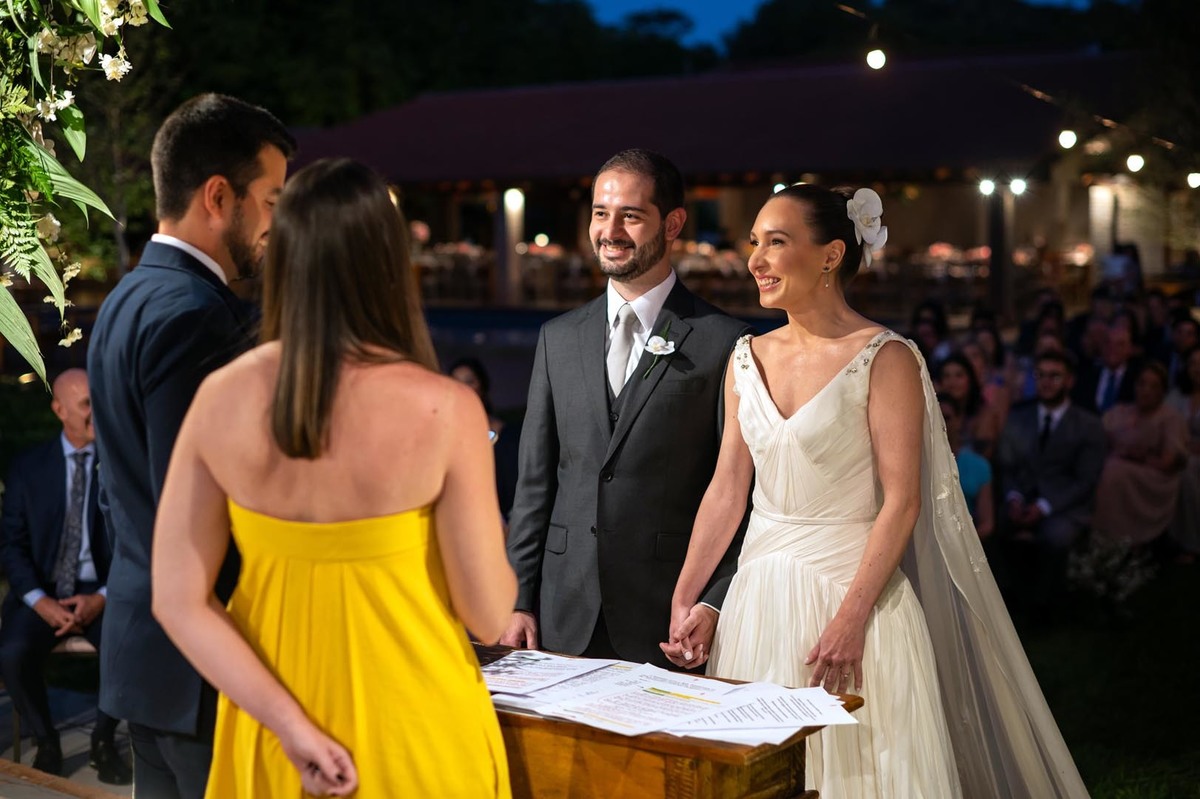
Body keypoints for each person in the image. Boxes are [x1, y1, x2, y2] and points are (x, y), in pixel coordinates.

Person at [666, 184, 1088, 797]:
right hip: (757, 605)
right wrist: (692, 601)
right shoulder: (744, 358)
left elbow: (903, 501)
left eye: (776, 242)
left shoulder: (885, 357)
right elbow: (727, 489)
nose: (755, 259)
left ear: (832, 254)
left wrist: (852, 617)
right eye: (755, 242)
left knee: (862, 774)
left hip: (854, 605)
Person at [152, 158, 516, 797]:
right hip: (415, 727)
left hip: (275, 735)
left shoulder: (220, 398)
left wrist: (290, 727)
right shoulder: (446, 408)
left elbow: (178, 600)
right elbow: (488, 616)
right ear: (388, 263)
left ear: (284, 256)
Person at [86, 93, 294, 798]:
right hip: (204, 669)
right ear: (218, 195)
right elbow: (215, 508)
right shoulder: (198, 318)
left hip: (146, 657)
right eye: (271, 199)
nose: (277, 224)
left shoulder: (127, 297)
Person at [501, 148, 748, 667]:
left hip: (668, 618)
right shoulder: (557, 338)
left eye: (630, 215)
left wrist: (712, 600)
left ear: (674, 222)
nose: (609, 230)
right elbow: (534, 484)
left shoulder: (724, 342)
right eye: (599, 212)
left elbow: (740, 495)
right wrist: (519, 597)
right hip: (561, 613)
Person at [0, 370, 130, 784]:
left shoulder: (122, 466)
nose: (99, 413)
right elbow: (11, 546)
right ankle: (47, 740)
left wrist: (104, 597)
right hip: (43, 591)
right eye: (88, 404)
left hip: (104, 590)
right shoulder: (27, 468)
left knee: (127, 647)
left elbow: (136, 543)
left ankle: (104, 741)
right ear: (59, 410)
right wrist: (40, 600)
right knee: (12, 653)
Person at [996, 350, 1107, 618]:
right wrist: (1013, 497)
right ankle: (1004, 603)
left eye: (1055, 376)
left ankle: (1043, 609)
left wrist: (1044, 507)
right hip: (1021, 498)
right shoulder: (1018, 417)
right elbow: (1006, 466)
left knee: (1055, 536)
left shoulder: (1088, 425)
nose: (1046, 382)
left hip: (1064, 505)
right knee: (994, 526)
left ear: (1070, 381)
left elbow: (1085, 480)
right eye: (1041, 375)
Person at [1092, 362, 1188, 547]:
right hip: (1118, 465)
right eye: (1142, 384)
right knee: (1106, 468)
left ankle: (1115, 537)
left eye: (1153, 386)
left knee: (1113, 472)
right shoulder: (1120, 411)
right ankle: (1104, 532)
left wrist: (1138, 456)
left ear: (1162, 391)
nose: (1146, 391)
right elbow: (1097, 436)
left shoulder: (1169, 418)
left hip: (1154, 476)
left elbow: (1169, 461)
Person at [449, 356, 521, 522]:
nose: (462, 388)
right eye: (455, 381)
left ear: (482, 387)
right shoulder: (444, 434)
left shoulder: (507, 436)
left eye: (470, 381)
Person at [939, 393, 994, 538]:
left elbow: (987, 523)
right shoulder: (918, 464)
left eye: (946, 417)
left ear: (959, 420)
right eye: (935, 417)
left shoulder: (979, 465)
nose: (941, 423)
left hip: (967, 541)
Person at [1166, 347, 1200, 562]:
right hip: (1178, 452)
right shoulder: (1177, 395)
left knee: (1188, 470)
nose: (1198, 368)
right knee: (1184, 468)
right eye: (1194, 363)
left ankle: (1191, 542)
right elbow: (1166, 425)